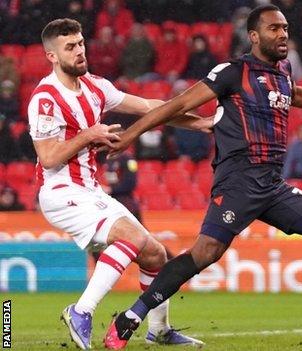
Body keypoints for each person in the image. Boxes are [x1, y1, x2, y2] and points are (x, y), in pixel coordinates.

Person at [103, 5, 302, 348]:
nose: (282, 34)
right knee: (205, 253)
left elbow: (295, 94)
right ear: (254, 35)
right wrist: (131, 135)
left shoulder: (282, 70)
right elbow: (176, 105)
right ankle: (129, 318)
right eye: (274, 29)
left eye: (285, 28)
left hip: (272, 183)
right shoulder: (233, 72)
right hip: (238, 179)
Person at [28, 18, 212, 349]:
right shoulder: (45, 98)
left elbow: (151, 108)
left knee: (155, 254)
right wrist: (89, 134)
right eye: (70, 47)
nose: (80, 51)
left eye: (81, 43)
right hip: (60, 192)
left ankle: (159, 330)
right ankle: (81, 311)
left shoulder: (97, 86)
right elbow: (49, 157)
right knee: (131, 237)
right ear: (52, 56)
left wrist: (199, 123)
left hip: (89, 190)